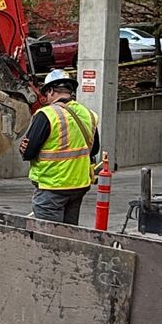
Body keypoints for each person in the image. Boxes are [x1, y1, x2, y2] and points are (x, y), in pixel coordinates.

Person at [19, 69, 99, 225]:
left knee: (50, 239)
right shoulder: (88, 114)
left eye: (46, 94)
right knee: (69, 233)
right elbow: (94, 148)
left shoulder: (47, 114)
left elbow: (28, 152)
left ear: (50, 91)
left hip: (52, 186)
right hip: (79, 186)